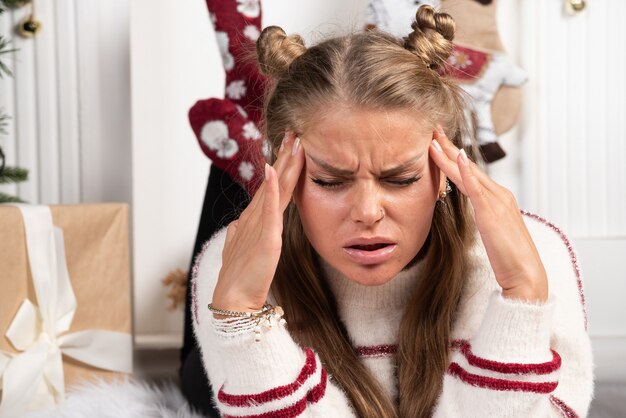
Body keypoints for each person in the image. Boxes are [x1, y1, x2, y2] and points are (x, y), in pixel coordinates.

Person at [191, 6, 593, 417]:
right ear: (288, 177)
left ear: (444, 172)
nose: (367, 212)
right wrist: (241, 316)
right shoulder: (229, 268)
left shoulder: (539, 253)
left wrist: (522, 297)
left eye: (400, 179)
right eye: (330, 181)